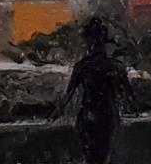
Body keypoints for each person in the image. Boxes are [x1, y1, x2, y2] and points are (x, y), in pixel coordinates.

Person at [49, 18, 139, 164]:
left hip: (88, 116)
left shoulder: (82, 66)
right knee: (103, 155)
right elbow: (129, 97)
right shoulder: (116, 67)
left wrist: (54, 114)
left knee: (90, 157)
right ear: (104, 42)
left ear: (89, 42)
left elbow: (68, 96)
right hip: (107, 116)